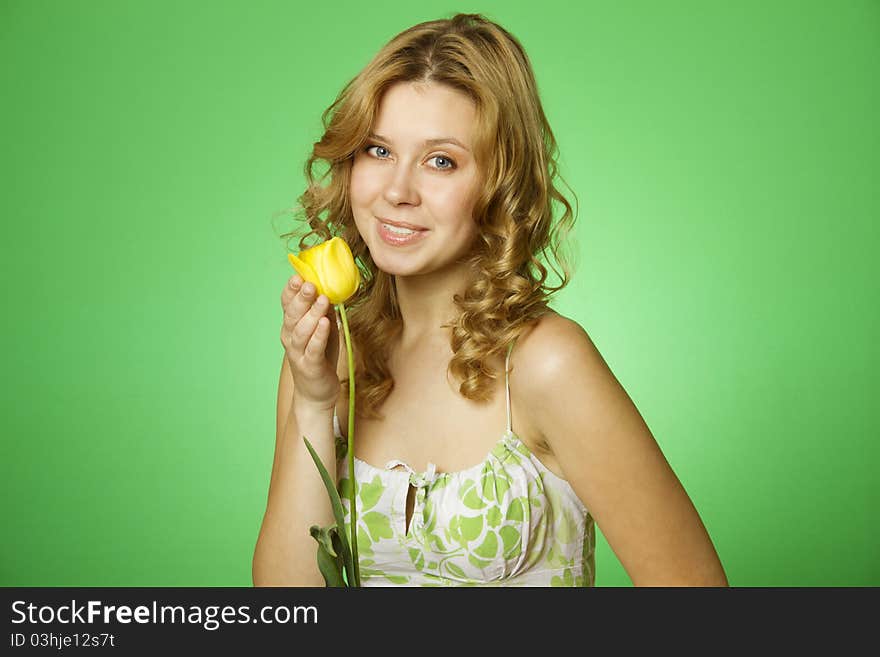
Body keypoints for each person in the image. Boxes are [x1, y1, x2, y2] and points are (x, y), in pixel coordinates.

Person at [253, 13, 728, 587]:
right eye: (378, 151)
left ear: (499, 183)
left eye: (441, 161)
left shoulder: (549, 363)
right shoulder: (327, 359)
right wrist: (311, 403)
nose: (397, 191)